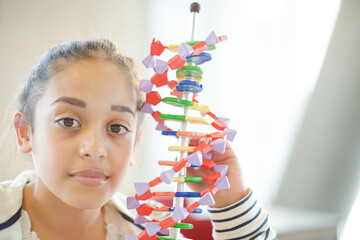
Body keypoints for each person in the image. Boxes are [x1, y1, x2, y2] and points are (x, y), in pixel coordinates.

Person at [0, 39, 276, 240]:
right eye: (68, 122)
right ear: (25, 132)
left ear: (135, 143)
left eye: (117, 128)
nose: (95, 149)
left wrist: (231, 199)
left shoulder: (155, 231)